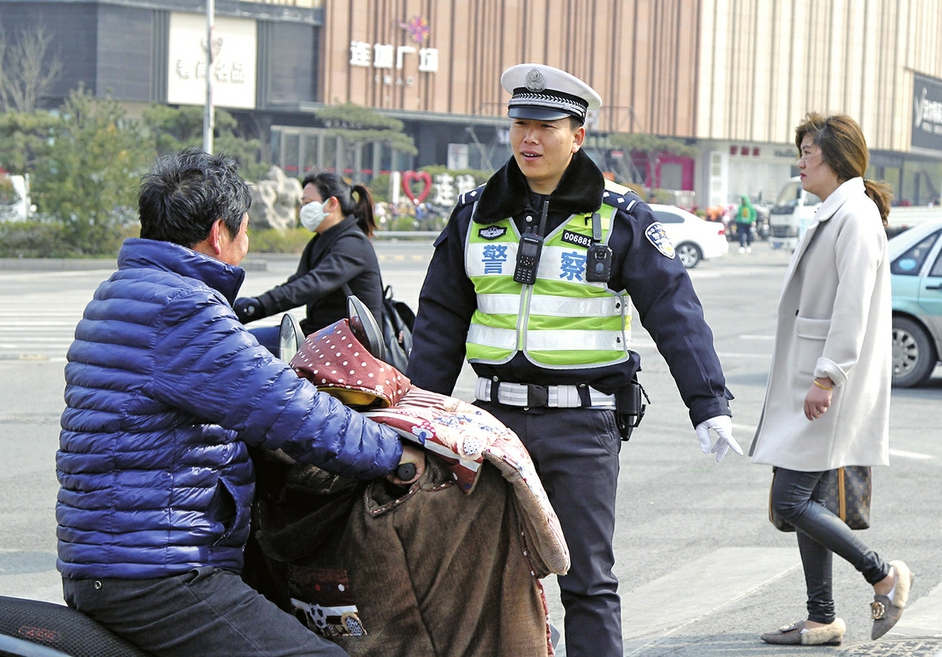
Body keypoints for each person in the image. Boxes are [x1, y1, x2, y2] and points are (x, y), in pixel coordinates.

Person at [404, 63, 742, 656]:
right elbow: (439, 322)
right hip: (495, 423)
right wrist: (414, 416)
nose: (527, 139)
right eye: (519, 125)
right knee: (497, 577)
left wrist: (707, 402)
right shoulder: (475, 212)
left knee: (587, 581)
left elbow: (673, 310)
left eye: (544, 126)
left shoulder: (619, 216)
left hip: (583, 425)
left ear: (578, 135)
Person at [56, 148, 423, 657]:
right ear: (218, 233)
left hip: (117, 556)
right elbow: (288, 408)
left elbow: (233, 370)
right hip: (156, 571)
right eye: (244, 229)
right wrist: (398, 454)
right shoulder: (183, 307)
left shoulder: (125, 291)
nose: (246, 241)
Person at [749, 113, 913, 646]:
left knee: (793, 498)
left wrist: (828, 376)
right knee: (803, 499)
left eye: (807, 152)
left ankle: (883, 574)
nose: (799, 161)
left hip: (825, 385)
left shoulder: (855, 216)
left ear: (836, 158)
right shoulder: (835, 212)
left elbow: (853, 308)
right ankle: (822, 617)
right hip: (814, 379)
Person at [233, 171, 383, 354]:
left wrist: (257, 306)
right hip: (321, 334)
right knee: (244, 341)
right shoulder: (322, 241)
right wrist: (253, 305)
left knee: (244, 346)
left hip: (349, 346)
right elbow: (297, 282)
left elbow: (311, 285)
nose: (302, 209)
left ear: (332, 204)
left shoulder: (353, 244)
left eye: (307, 203)